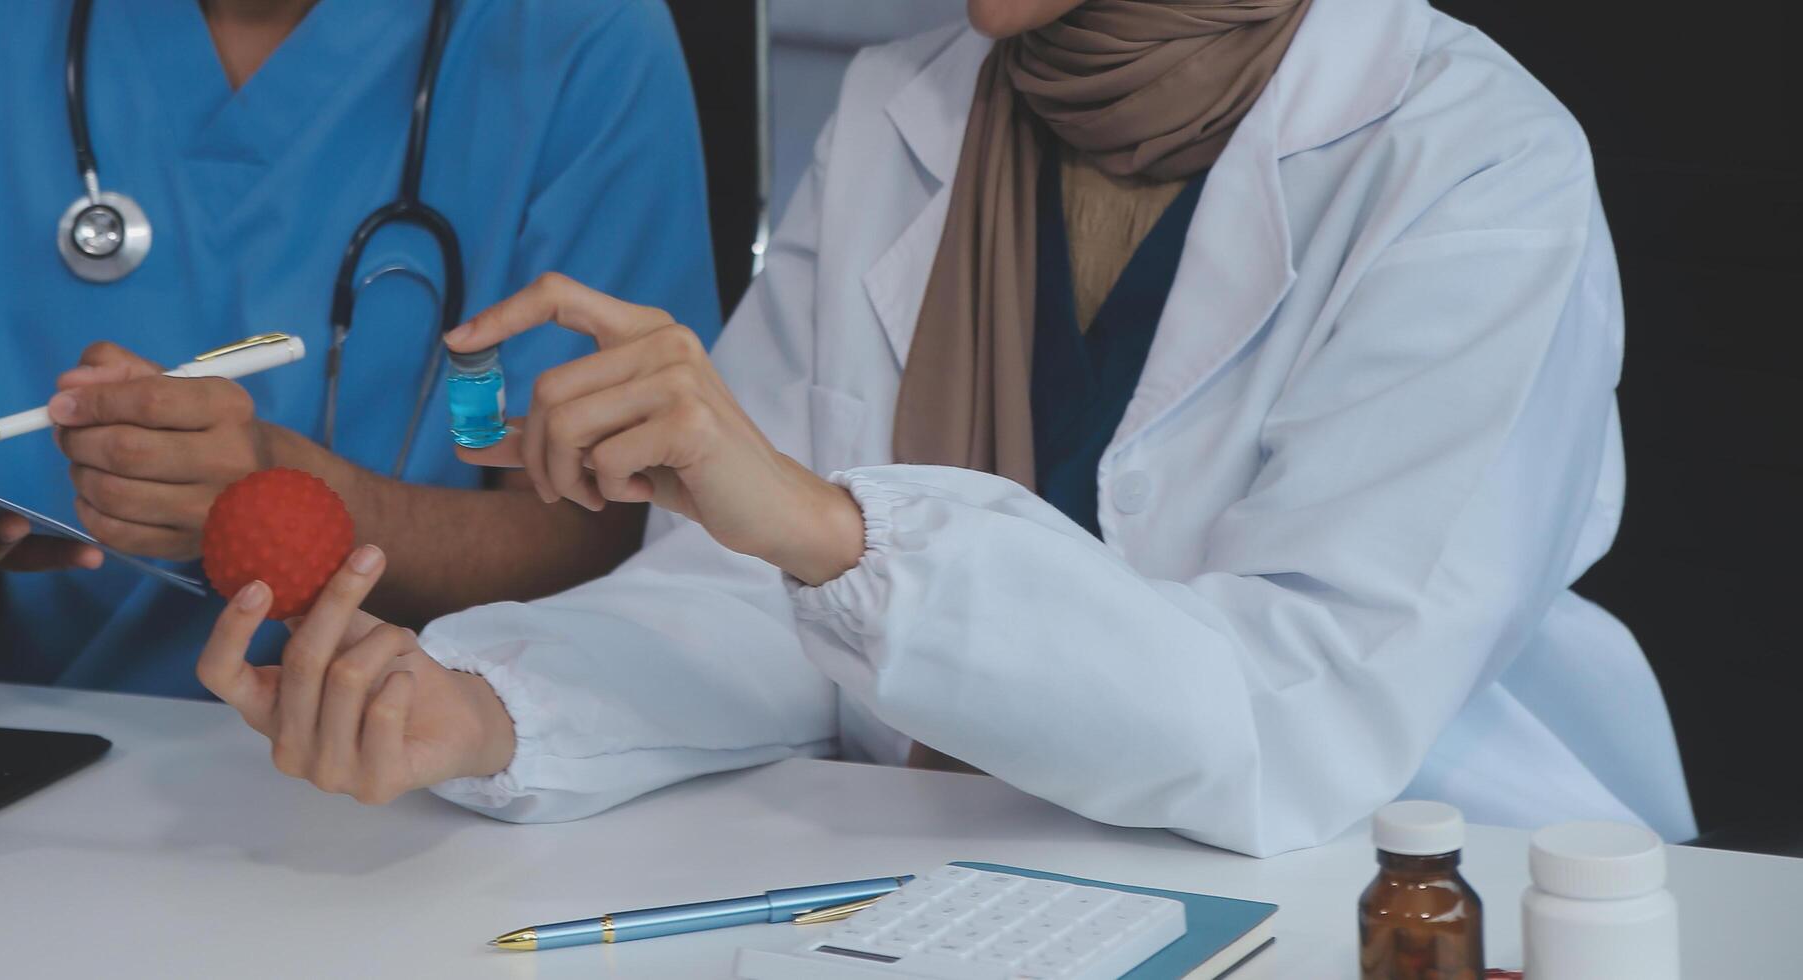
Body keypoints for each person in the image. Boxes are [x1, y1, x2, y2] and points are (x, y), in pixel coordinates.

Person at [189, 0, 1700, 855]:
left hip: (1401, 896)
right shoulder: (905, 108)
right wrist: (490, 708)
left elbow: (1299, 730)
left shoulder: (1471, 166)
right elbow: (748, 606)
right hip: (960, 883)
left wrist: (831, 528)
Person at [0, 0, 721, 696]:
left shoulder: (581, 37)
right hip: (25, 738)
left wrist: (287, 492)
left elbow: (596, 543)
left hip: (428, 751)